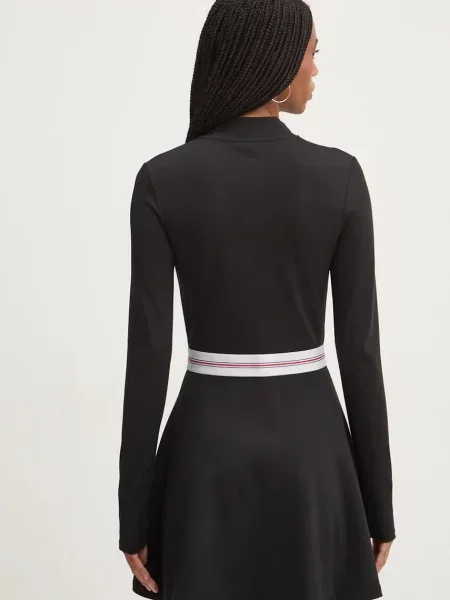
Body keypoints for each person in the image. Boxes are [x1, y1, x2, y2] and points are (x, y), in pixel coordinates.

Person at [118, 1, 396, 598]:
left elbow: (147, 353)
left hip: (203, 457)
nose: (316, 68)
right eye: (312, 52)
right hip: (314, 456)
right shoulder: (341, 177)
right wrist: (379, 505)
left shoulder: (162, 179)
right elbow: (361, 352)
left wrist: (133, 514)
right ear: (277, 63)